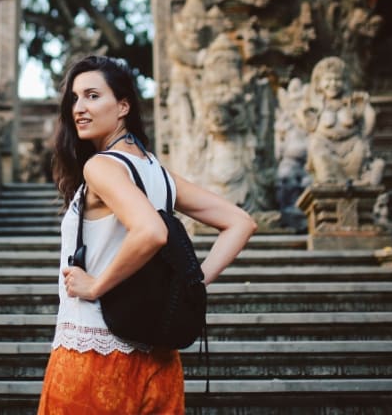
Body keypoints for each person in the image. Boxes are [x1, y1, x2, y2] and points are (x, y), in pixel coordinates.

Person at [38, 55, 257, 414]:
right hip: (160, 362)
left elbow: (151, 231)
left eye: (93, 96)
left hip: (93, 353)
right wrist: (193, 281)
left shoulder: (101, 166)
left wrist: (95, 286)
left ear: (123, 106)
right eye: (75, 98)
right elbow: (240, 223)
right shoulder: (157, 172)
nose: (79, 107)